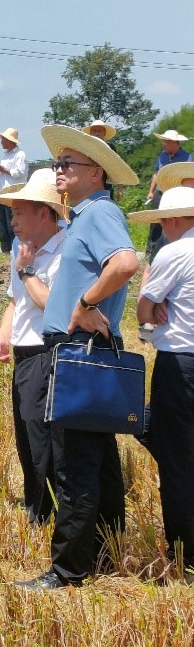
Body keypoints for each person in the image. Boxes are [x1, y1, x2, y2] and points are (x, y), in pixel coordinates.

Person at [16, 125, 140, 590]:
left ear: (95, 173)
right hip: (80, 350)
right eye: (58, 164)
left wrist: (86, 305)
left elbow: (126, 263)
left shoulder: (98, 213)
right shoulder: (89, 214)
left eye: (66, 165)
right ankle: (104, 554)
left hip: (76, 352)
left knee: (75, 466)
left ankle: (67, 571)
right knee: (98, 460)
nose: (59, 171)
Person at [0, 169, 66, 526]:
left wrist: (26, 272)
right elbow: (14, 301)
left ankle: (47, 512)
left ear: (44, 213)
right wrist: (3, 334)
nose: (13, 221)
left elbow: (54, 306)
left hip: (46, 352)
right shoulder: (22, 253)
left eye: (19, 213)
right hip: (23, 352)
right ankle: (36, 505)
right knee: (25, 434)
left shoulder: (65, 251)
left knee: (42, 438)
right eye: (11, 213)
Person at [131, 186, 194, 574]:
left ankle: (186, 556)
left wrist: (153, 311)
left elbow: (144, 306)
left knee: (178, 462)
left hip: (182, 361)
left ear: (170, 220)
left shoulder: (175, 252)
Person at [145, 129, 191, 257]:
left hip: (176, 195)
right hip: (160, 193)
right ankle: (151, 251)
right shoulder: (162, 156)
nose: (164, 144)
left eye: (166, 142)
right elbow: (156, 174)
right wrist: (151, 191)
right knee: (155, 222)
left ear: (175, 143)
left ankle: (171, 251)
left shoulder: (186, 158)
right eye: (163, 141)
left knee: (174, 222)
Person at [0, 128, 29, 253]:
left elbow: (20, 173)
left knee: (11, 222)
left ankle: (14, 248)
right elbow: (2, 175)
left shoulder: (20, 154)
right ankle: (5, 249)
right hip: (2, 192)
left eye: (3, 139)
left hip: (13, 193)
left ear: (9, 141)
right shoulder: (6, 155)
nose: (1, 142)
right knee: (2, 223)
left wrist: (4, 169)